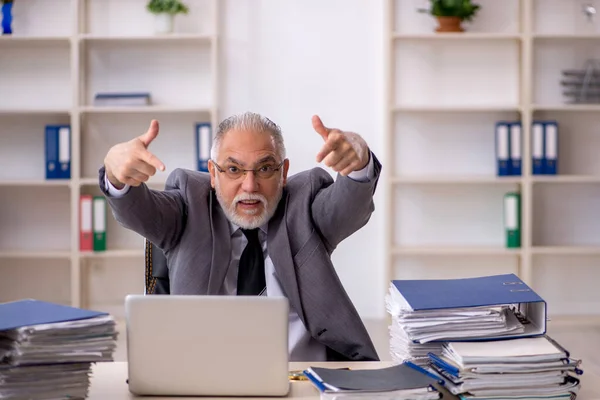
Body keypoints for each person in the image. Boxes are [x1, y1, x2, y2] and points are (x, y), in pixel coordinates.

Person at [98, 112, 382, 362]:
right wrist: (115, 173)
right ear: (213, 173)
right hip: (205, 384)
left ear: (283, 173)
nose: (250, 185)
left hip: (306, 379)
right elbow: (138, 210)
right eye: (233, 169)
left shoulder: (304, 204)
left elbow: (347, 207)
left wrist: (359, 163)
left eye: (265, 168)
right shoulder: (189, 205)